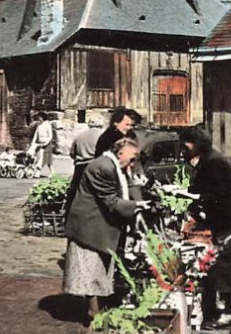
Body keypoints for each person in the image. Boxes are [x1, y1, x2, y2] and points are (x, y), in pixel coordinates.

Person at [64, 136, 150, 320]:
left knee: (98, 271)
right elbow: (110, 201)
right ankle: (94, 314)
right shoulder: (103, 167)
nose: (134, 161)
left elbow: (129, 184)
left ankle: (98, 310)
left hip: (98, 225)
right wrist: (137, 206)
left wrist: (140, 200)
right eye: (132, 156)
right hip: (89, 226)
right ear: (120, 152)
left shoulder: (116, 166)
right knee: (90, 272)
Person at [181, 127, 231, 327]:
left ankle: (228, 313)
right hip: (224, 219)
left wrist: (197, 198)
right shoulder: (207, 160)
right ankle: (214, 310)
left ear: (196, 144)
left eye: (186, 143)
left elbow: (216, 192)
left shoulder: (213, 162)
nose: (184, 148)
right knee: (218, 266)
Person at [28, 112, 54, 178]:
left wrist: (45, 143)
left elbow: (50, 136)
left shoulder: (48, 125)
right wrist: (33, 143)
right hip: (39, 143)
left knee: (47, 160)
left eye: (40, 117)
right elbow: (36, 135)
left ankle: (52, 172)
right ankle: (37, 172)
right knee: (39, 158)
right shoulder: (39, 125)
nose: (39, 118)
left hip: (46, 144)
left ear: (43, 118)